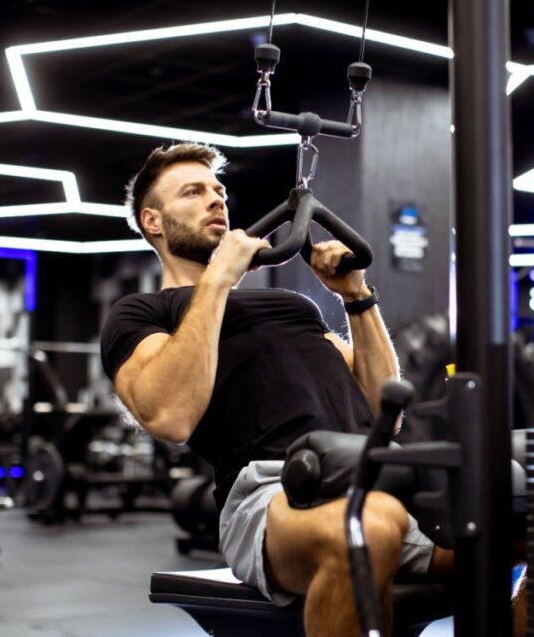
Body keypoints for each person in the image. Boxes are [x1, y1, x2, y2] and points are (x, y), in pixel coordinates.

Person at [100, 142, 452, 637]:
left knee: (532, 525)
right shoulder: (143, 313)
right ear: (152, 221)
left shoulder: (293, 306)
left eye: (219, 191)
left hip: (377, 477)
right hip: (274, 491)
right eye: (193, 192)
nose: (216, 200)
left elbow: (382, 411)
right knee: (366, 528)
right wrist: (218, 279)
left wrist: (356, 296)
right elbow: (170, 416)